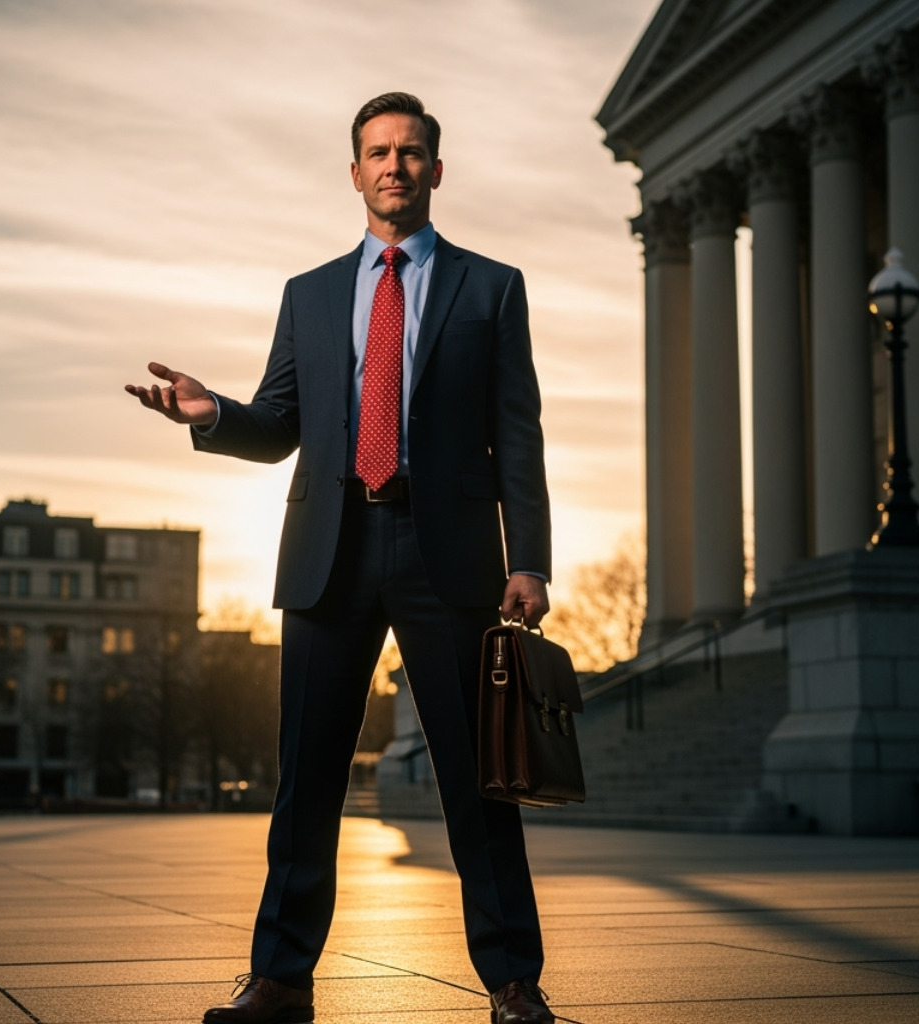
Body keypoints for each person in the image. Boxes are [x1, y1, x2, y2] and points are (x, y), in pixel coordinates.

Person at [125, 92, 555, 1024]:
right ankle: (279, 979)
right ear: (353, 170)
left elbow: (517, 434)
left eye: (410, 152)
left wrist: (532, 560)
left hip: (452, 556)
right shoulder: (309, 294)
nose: (393, 166)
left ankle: (514, 982)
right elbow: (282, 424)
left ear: (437, 171)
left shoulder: (492, 287)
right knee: (306, 775)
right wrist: (214, 416)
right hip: (330, 545)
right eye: (376, 152)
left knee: (479, 780)